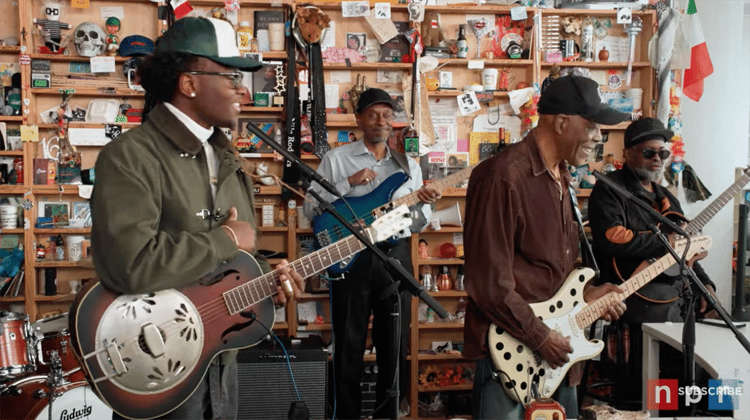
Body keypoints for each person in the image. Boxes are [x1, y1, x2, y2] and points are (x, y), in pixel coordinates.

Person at [90, 17, 304, 420]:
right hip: (156, 364)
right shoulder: (131, 156)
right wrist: (225, 238)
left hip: (219, 361)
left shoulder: (225, 158)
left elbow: (230, 262)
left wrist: (266, 280)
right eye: (230, 76)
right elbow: (129, 266)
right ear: (189, 83)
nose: (242, 89)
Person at [462, 75, 628, 420]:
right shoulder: (501, 177)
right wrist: (541, 337)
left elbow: (553, 276)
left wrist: (589, 297)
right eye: (593, 125)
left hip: (557, 359)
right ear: (562, 122)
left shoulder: (563, 178)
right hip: (509, 359)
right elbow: (488, 283)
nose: (598, 136)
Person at [303, 88, 441, 419]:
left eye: (387, 115)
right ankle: (347, 414)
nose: (381, 121)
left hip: (395, 255)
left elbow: (421, 221)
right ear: (359, 120)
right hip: (351, 256)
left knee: (394, 343)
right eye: (373, 115)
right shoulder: (337, 160)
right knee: (349, 342)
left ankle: (387, 413)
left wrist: (423, 205)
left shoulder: (408, 165)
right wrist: (349, 183)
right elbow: (310, 209)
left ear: (394, 122)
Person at [587, 117, 718, 407]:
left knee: (718, 332)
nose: (657, 159)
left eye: (663, 153)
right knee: (677, 349)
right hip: (636, 296)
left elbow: (686, 248)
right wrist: (664, 243)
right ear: (628, 153)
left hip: (675, 294)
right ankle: (663, 406)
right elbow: (612, 238)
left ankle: (702, 407)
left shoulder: (666, 198)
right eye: (649, 152)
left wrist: (704, 282)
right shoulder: (610, 190)